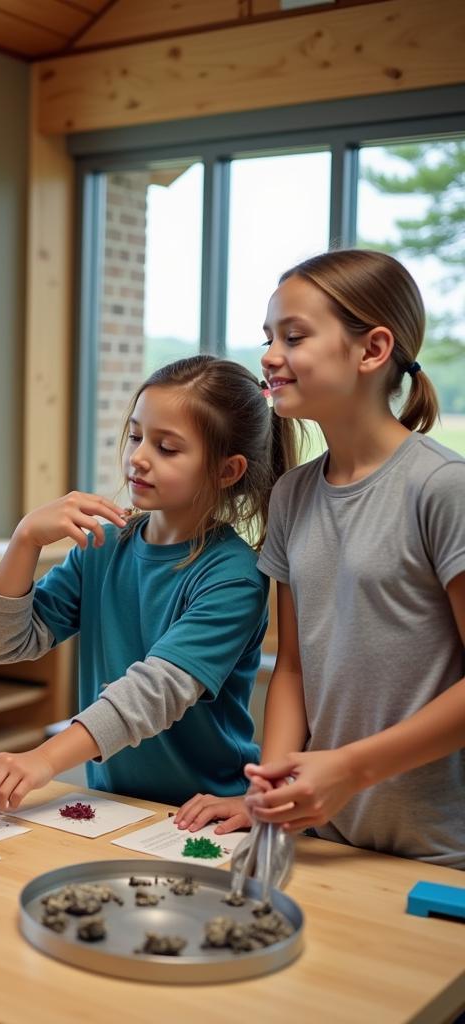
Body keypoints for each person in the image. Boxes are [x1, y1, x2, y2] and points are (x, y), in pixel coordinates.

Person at [175, 250, 465, 869]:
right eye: (267, 338)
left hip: (440, 852)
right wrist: (270, 793)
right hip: (324, 838)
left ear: (372, 349)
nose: (269, 356)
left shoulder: (442, 488)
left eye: (294, 336)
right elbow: (293, 671)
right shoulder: (292, 494)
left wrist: (349, 770)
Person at [0, 355, 297, 813]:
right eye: (136, 436)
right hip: (108, 804)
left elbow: (154, 691)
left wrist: (43, 761)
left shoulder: (235, 577)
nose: (138, 458)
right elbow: (1, 645)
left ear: (227, 471)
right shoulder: (103, 544)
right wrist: (25, 538)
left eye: (167, 448)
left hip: (203, 811)